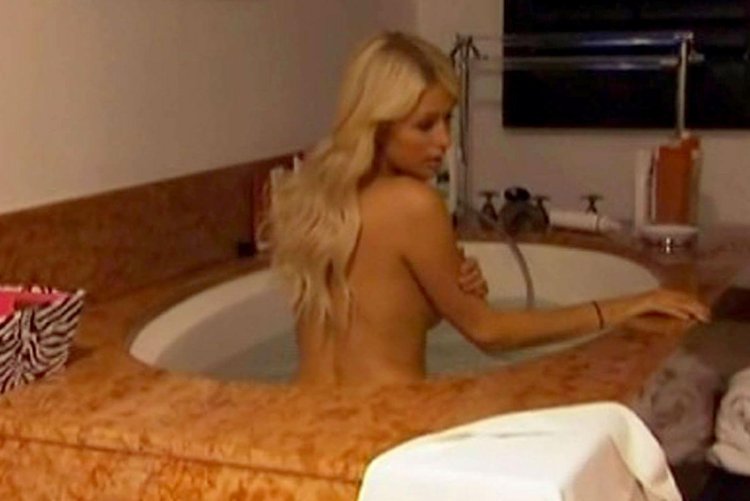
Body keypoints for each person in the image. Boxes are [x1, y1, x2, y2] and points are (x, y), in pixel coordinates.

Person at [268, 31, 710, 387]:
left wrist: (443, 298)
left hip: (308, 421)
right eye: (425, 125)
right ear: (379, 127)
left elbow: (376, 325)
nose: (444, 141)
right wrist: (626, 306)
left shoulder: (320, 198)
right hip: (383, 427)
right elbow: (491, 333)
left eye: (447, 119)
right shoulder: (412, 203)